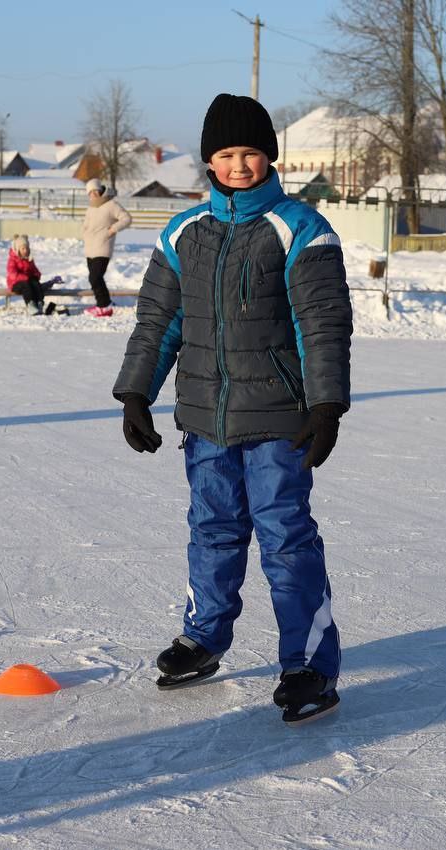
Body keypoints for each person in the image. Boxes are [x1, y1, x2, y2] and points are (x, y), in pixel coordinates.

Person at [112, 93, 353, 724]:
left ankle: (307, 665)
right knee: (211, 530)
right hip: (204, 418)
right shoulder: (183, 232)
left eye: (250, 152)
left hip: (278, 419)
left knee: (286, 539)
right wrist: (136, 392)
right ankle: (204, 637)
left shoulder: (301, 227)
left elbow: (322, 324)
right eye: (225, 154)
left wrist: (326, 405)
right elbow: (158, 321)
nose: (239, 165)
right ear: (209, 161)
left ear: (269, 157)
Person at [82, 178, 132, 317]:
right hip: (90, 248)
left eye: (95, 190)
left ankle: (104, 306)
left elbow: (126, 218)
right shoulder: (91, 208)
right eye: (90, 192)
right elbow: (86, 225)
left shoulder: (111, 204)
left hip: (103, 246)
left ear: (101, 190)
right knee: (94, 278)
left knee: (95, 278)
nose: (93, 194)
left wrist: (112, 229)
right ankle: (104, 303)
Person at [6, 235, 50, 315]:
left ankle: (39, 302)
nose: (25, 250)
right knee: (26, 286)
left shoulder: (29, 259)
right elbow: (12, 274)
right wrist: (25, 277)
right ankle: (30, 305)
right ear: (18, 249)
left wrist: (36, 275)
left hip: (28, 281)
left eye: (27, 248)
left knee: (35, 283)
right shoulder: (13, 259)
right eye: (23, 248)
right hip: (15, 283)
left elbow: (34, 269)